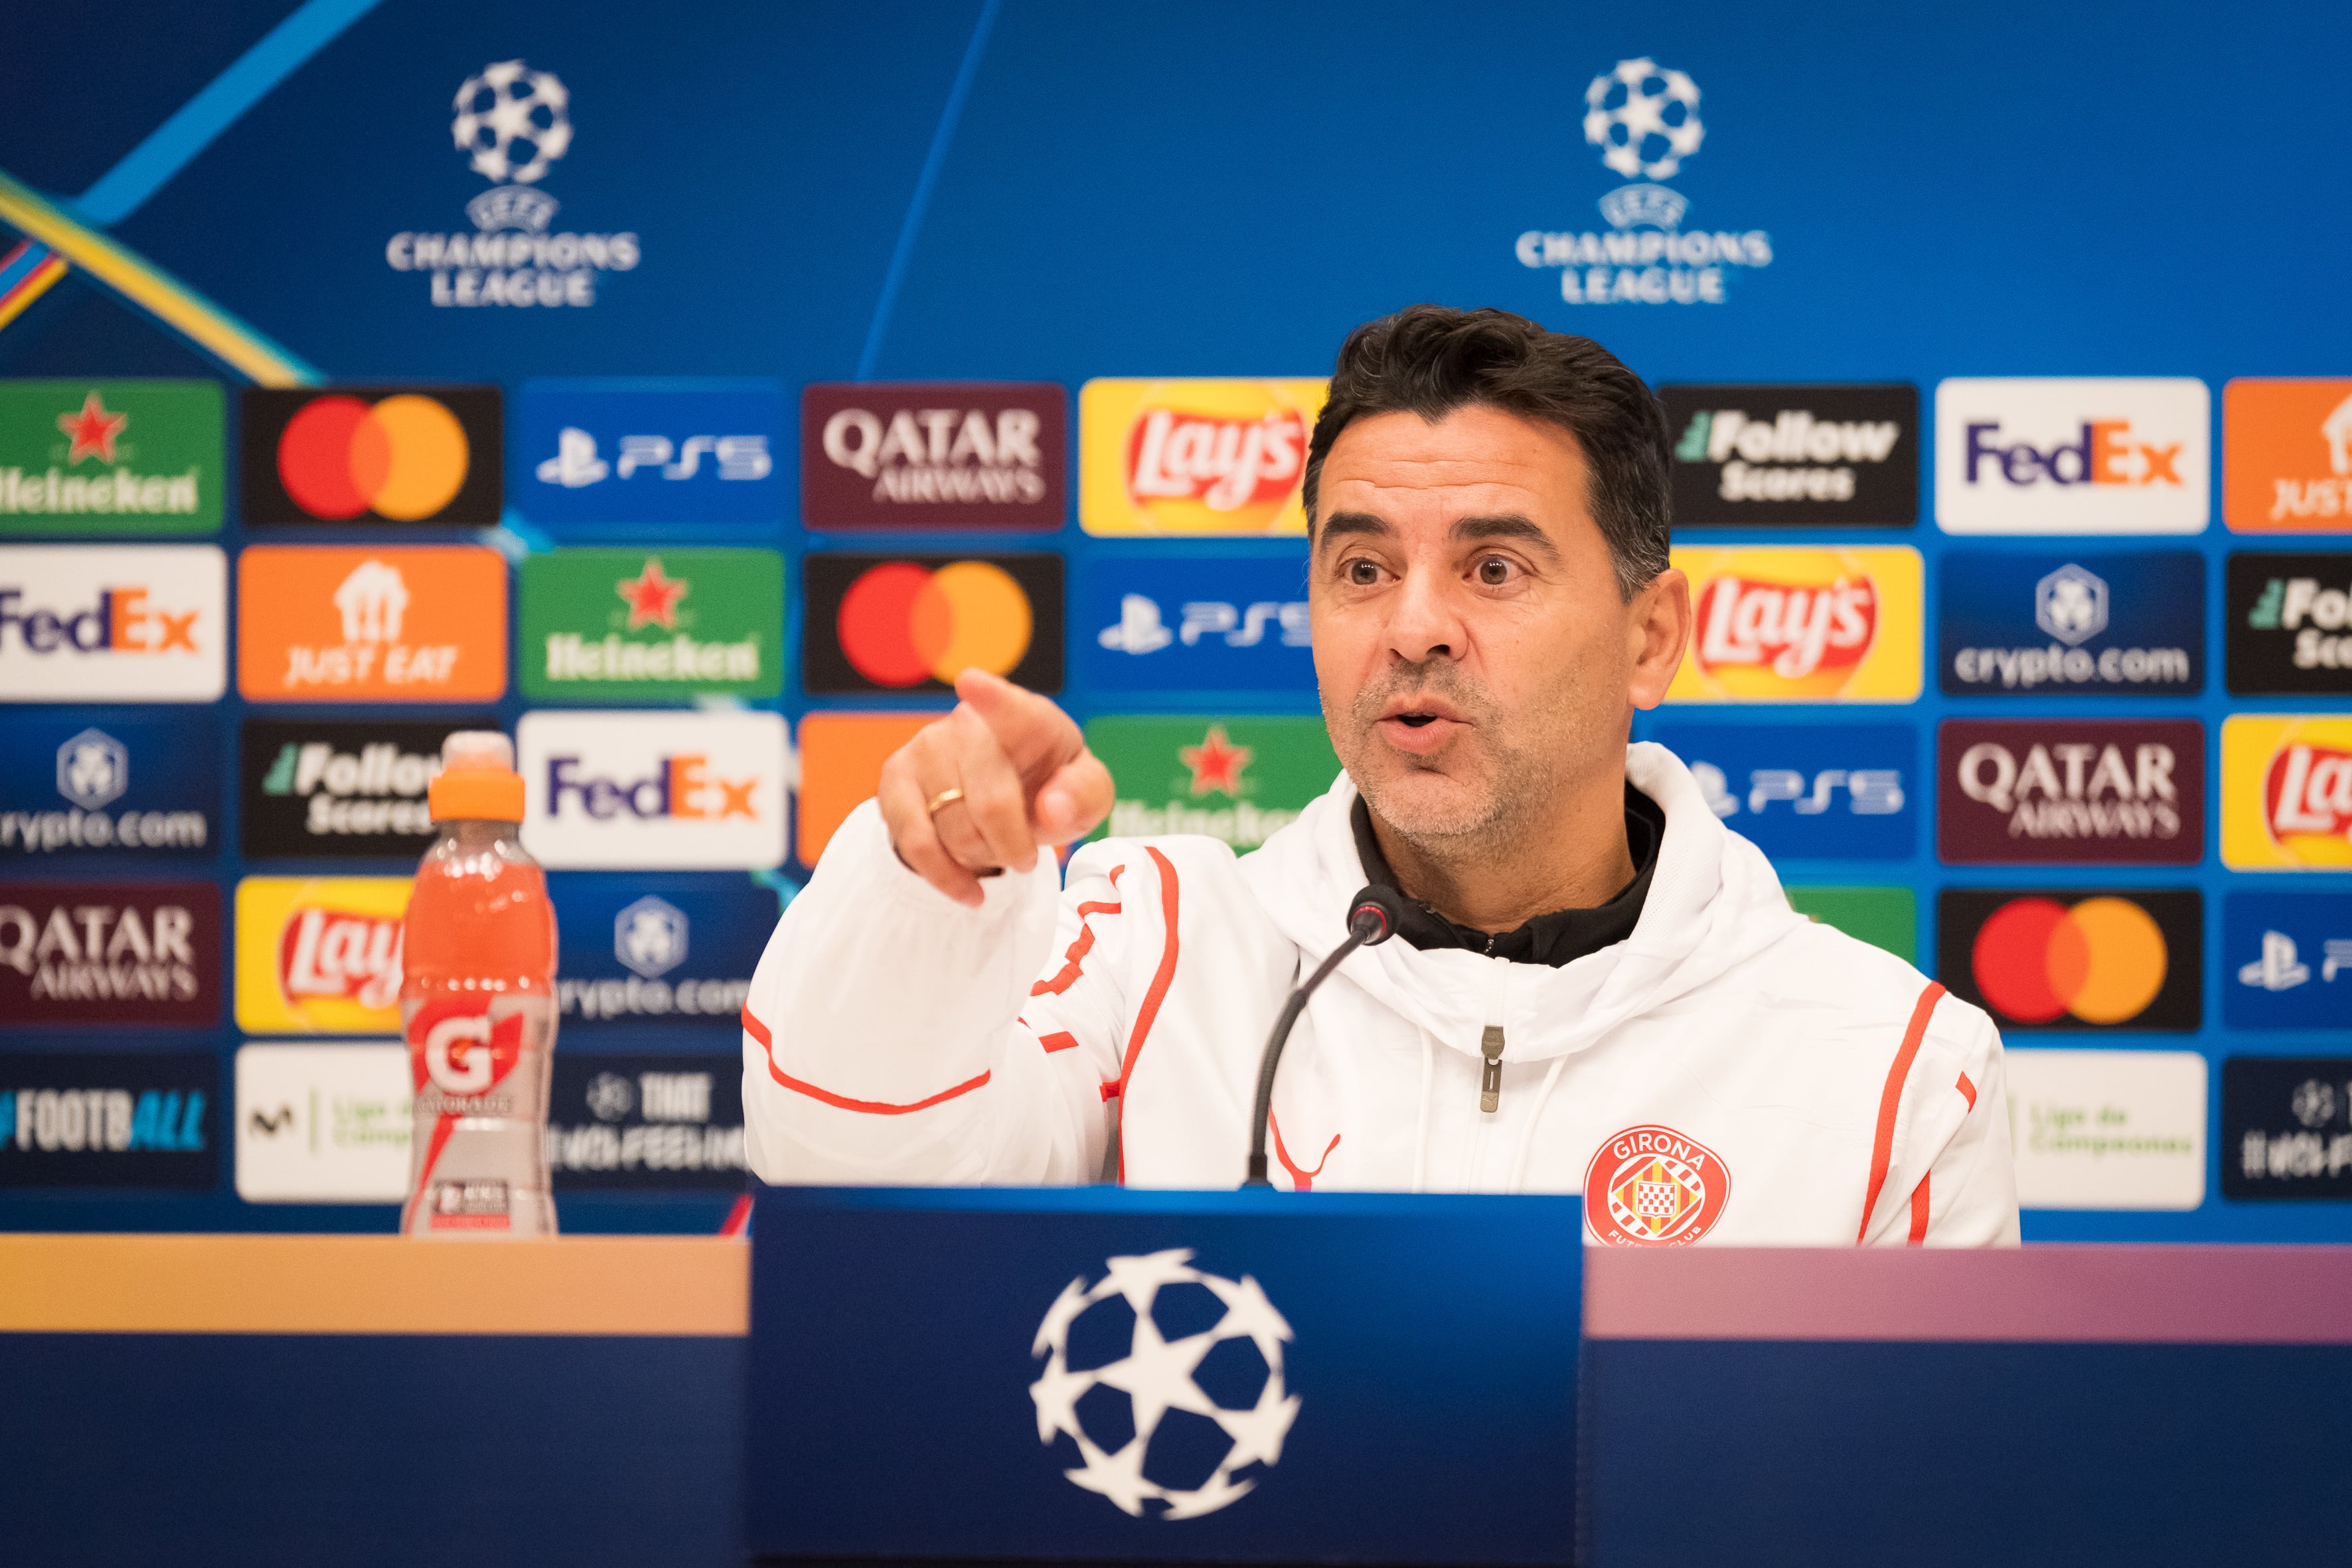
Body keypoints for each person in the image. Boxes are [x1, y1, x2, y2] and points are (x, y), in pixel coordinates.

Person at [742, 305, 2018, 1245]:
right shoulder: (1159, 948)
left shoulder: (1889, 1066)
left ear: (1651, 638)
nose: (1413, 627)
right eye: (1361, 569)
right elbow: (853, 1184)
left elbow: (1919, 1499)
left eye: (1494, 568)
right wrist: (930, 892)